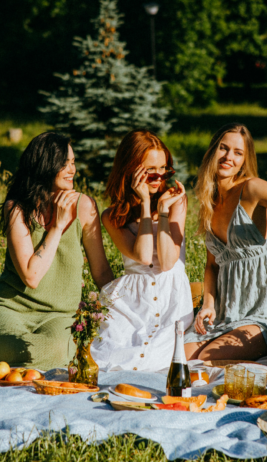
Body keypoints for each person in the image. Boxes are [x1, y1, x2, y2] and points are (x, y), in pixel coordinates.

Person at [0, 132, 114, 370]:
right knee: (11, 344)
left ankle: (17, 364)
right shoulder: (17, 208)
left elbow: (101, 271)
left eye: (72, 162)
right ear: (44, 165)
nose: (72, 170)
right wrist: (58, 226)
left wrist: (126, 309)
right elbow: (32, 277)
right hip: (10, 309)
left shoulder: (84, 206)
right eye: (64, 164)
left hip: (59, 317)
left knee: (55, 350)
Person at [184, 123, 267, 361]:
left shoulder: (253, 189)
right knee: (178, 357)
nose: (228, 157)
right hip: (225, 316)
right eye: (223, 149)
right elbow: (212, 265)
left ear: (245, 160)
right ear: (212, 152)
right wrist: (208, 305)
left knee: (205, 359)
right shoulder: (209, 200)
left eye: (238, 153)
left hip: (265, 316)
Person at [91, 129, 194, 372]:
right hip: (133, 299)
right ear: (131, 170)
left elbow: (168, 262)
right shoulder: (112, 216)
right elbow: (144, 256)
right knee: (109, 353)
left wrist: (164, 212)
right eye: (150, 171)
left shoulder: (175, 200)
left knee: (157, 355)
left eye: (164, 169)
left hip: (171, 296)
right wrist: (147, 204)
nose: (159, 177)